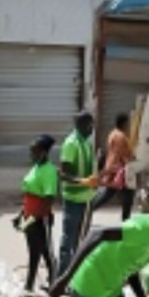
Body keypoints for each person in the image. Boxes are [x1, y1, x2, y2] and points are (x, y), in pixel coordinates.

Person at [17, 134, 59, 292]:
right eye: (31, 151)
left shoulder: (49, 171)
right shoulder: (36, 168)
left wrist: (32, 218)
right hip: (29, 215)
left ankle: (49, 284)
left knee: (43, 253)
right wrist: (22, 214)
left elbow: (48, 199)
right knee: (37, 252)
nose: (31, 155)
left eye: (34, 151)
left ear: (44, 153)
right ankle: (33, 285)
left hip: (40, 218)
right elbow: (29, 193)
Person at [58, 110, 97, 276]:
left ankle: (76, 275)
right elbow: (63, 173)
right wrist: (83, 182)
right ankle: (62, 276)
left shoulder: (86, 143)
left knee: (81, 241)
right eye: (90, 125)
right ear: (82, 125)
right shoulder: (71, 143)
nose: (92, 129)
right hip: (74, 199)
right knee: (69, 241)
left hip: (87, 199)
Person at [92, 113, 136, 222]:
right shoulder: (120, 136)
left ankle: (90, 208)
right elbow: (123, 153)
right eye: (128, 123)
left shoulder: (113, 134)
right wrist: (133, 158)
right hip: (119, 169)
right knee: (127, 195)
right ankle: (125, 220)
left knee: (110, 193)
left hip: (112, 167)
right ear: (124, 123)